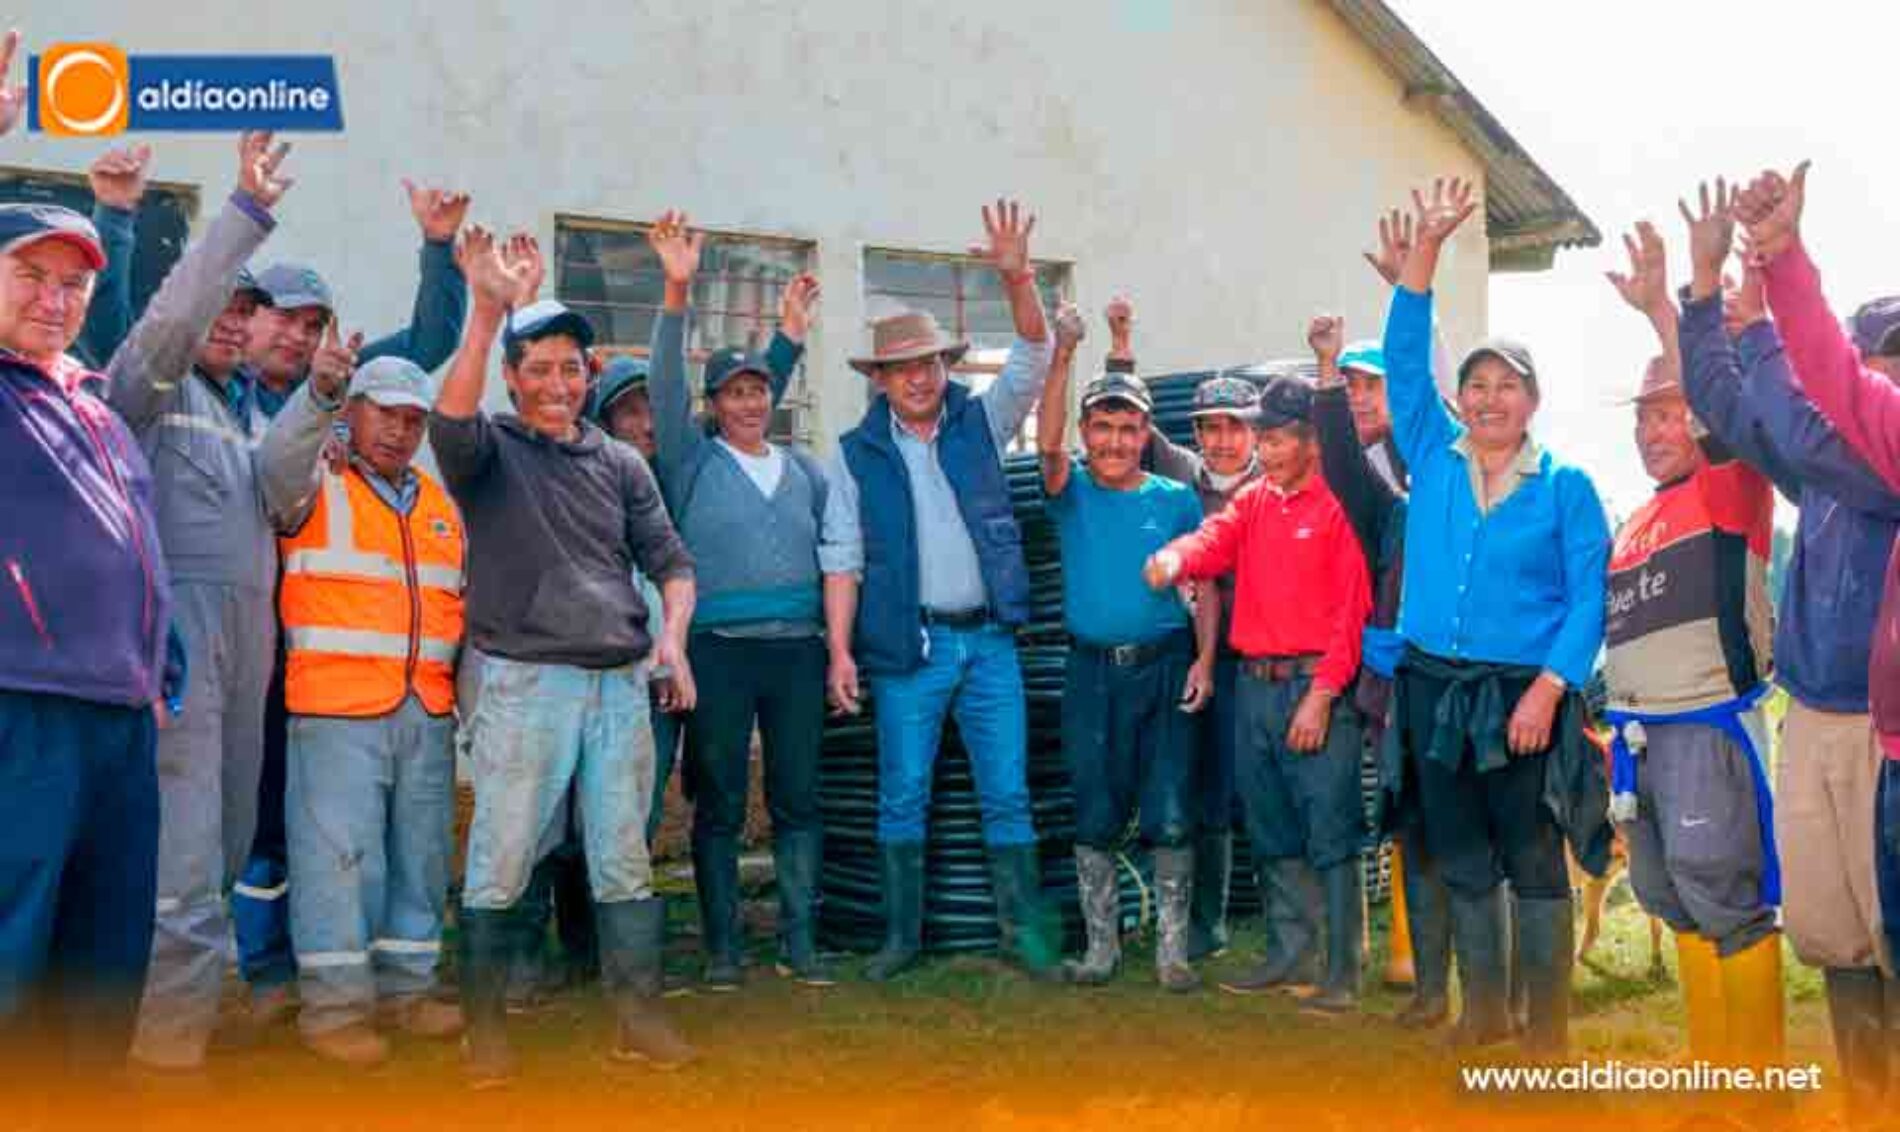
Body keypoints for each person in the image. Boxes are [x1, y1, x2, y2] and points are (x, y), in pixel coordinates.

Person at [432, 227, 698, 1085]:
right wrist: (485, 313)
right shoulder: (488, 453)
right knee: (504, 854)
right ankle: (486, 1032)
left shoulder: (620, 463)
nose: (557, 385)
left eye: (571, 369)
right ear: (513, 378)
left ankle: (639, 1019)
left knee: (623, 856)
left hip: (619, 688)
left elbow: (673, 563)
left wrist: (672, 639)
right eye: (539, 369)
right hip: (525, 685)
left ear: (589, 375)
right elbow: (449, 418)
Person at [90, 134, 310, 1072]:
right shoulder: (146, 387)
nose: (232, 319)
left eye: (247, 310)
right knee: (180, 866)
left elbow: (285, 494)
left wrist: (324, 398)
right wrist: (244, 214)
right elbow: (173, 318)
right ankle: (162, 1063)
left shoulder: (239, 416)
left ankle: (170, 1023)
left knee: (221, 849)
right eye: (225, 302)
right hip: (177, 648)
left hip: (248, 649)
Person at [230, 179, 473, 1024]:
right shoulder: (217, 389)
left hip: (323, 657)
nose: (299, 337)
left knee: (345, 833)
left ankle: (348, 981)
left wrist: (437, 249)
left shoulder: (347, 407)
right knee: (266, 827)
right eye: (284, 319)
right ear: (245, 318)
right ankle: (269, 976)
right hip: (248, 647)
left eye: (314, 324)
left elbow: (430, 342)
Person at [1380, 177, 1612, 1056]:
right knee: (1460, 851)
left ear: (1532, 400)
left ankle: (1545, 1035)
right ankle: (1483, 1014)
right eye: (1475, 385)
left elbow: (1589, 597)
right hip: (1433, 687)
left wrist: (1548, 691)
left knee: (1532, 855)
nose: (1487, 399)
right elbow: (1405, 364)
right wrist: (1425, 253)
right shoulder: (1432, 456)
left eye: (1505, 386)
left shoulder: (1565, 486)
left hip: (1523, 693)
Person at [820, 201, 1059, 982]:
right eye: (904, 368)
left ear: (945, 367)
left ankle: (1024, 940)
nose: (920, 378)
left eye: (930, 364)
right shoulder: (854, 455)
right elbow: (841, 557)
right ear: (880, 379)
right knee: (902, 795)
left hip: (989, 642)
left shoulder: (981, 424)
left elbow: (1034, 352)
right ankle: (901, 940)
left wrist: (1018, 277)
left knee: (1008, 793)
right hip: (907, 649)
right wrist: (839, 653)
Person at [1729, 161, 1900, 1111]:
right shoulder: (1849, 446)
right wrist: (1726, 299)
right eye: (1884, 357)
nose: (1891, 376)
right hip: (1839, 721)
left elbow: (1811, 406)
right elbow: (1782, 400)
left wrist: (1760, 311)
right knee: (1841, 932)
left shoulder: (1867, 459)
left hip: (1883, 738)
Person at [1599, 208, 1784, 1069]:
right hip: (1640, 736)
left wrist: (1660, 313)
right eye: (1642, 419)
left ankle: (1761, 1088)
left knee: (1725, 893)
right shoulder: (1637, 517)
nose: (1651, 431)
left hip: (1709, 724)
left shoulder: (1729, 485)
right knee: (1668, 891)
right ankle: (1717, 1077)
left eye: (1666, 414)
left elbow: (1714, 399)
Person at [249, 354, 470, 1066]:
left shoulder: (439, 507)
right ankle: (335, 1010)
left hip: (425, 710)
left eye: (413, 420)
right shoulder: (317, 481)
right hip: (334, 710)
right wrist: (319, 402)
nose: (399, 431)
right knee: (338, 863)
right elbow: (276, 465)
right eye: (385, 414)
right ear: (352, 412)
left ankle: (408, 990)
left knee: (420, 860)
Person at [0, 201, 174, 1074]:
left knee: (104, 961)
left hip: (121, 720)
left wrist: (163, 675)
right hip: (22, 708)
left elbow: (139, 551)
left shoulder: (96, 408)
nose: (54, 299)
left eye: (73, 284)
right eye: (30, 275)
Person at [646, 210, 836, 990]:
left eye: (760, 390)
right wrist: (676, 290)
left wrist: (788, 335)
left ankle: (799, 943)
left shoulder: (804, 470)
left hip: (796, 653)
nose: (751, 404)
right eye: (734, 393)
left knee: (797, 797)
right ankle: (723, 948)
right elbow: (664, 386)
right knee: (720, 800)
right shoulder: (690, 461)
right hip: (717, 653)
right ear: (713, 404)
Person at [1147, 374, 1373, 1015]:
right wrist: (1176, 557)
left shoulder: (1339, 507)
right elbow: (1213, 540)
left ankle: (1342, 969)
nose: (1263, 451)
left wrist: (1323, 694)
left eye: (1275, 439)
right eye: (1262, 439)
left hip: (1312, 684)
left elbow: (1353, 613)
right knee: (1271, 825)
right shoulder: (1253, 501)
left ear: (1311, 441)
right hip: (1254, 686)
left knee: (1329, 828)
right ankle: (1289, 953)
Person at [1038, 307, 1213, 992]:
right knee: (1094, 808)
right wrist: (1063, 353)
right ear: (1087, 433)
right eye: (1102, 427)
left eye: (1128, 428)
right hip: (1090, 673)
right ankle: (1101, 951)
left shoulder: (1176, 499)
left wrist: (1204, 660)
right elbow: (1047, 446)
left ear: (1146, 434)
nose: (1114, 440)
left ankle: (1172, 955)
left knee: (1170, 809)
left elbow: (1203, 583)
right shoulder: (1071, 490)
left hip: (1165, 667)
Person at [1309, 298, 1448, 1029]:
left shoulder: (1456, 476)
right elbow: (1341, 463)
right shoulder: (1386, 498)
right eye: (1353, 387)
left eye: (1375, 384)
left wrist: (1413, 289)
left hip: (1469, 684)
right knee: (1412, 826)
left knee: (1473, 836)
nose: (1362, 397)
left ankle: (1493, 985)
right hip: (1397, 690)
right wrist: (1326, 372)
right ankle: (1420, 974)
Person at [1126, 296, 1262, 964]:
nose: (1224, 440)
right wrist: (1121, 343)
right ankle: (1206, 922)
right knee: (1200, 784)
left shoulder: (1278, 482)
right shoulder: (1180, 474)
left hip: (1262, 655)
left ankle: (1290, 923)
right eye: (1212, 427)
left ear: (1257, 432)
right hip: (1194, 652)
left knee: (1254, 784)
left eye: (1236, 427)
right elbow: (1132, 422)